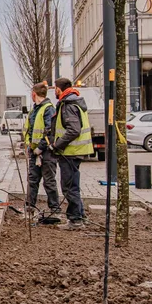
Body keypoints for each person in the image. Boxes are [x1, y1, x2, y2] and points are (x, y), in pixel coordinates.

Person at [50, 76, 93, 229]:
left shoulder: (68, 104)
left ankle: (75, 220)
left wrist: (57, 144)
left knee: (68, 187)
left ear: (59, 89)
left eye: (55, 88)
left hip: (70, 152)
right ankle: (80, 216)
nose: (54, 91)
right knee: (73, 185)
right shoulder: (74, 101)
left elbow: (73, 130)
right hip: (75, 151)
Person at [22, 83, 62, 223]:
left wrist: (40, 147)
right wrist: (29, 146)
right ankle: (29, 208)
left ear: (34, 94)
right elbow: (29, 130)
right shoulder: (35, 110)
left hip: (46, 153)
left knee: (49, 181)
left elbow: (49, 131)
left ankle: (55, 210)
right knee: (32, 180)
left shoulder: (48, 109)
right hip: (34, 152)